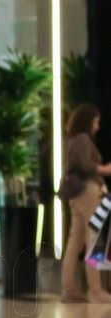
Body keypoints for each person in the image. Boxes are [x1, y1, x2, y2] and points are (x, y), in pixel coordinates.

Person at [59, 103, 111, 303]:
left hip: (77, 194)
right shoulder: (82, 139)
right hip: (88, 191)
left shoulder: (71, 140)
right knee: (94, 238)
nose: (97, 126)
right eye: (96, 122)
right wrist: (104, 169)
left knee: (76, 241)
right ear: (88, 121)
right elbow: (86, 165)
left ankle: (69, 288)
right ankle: (95, 289)